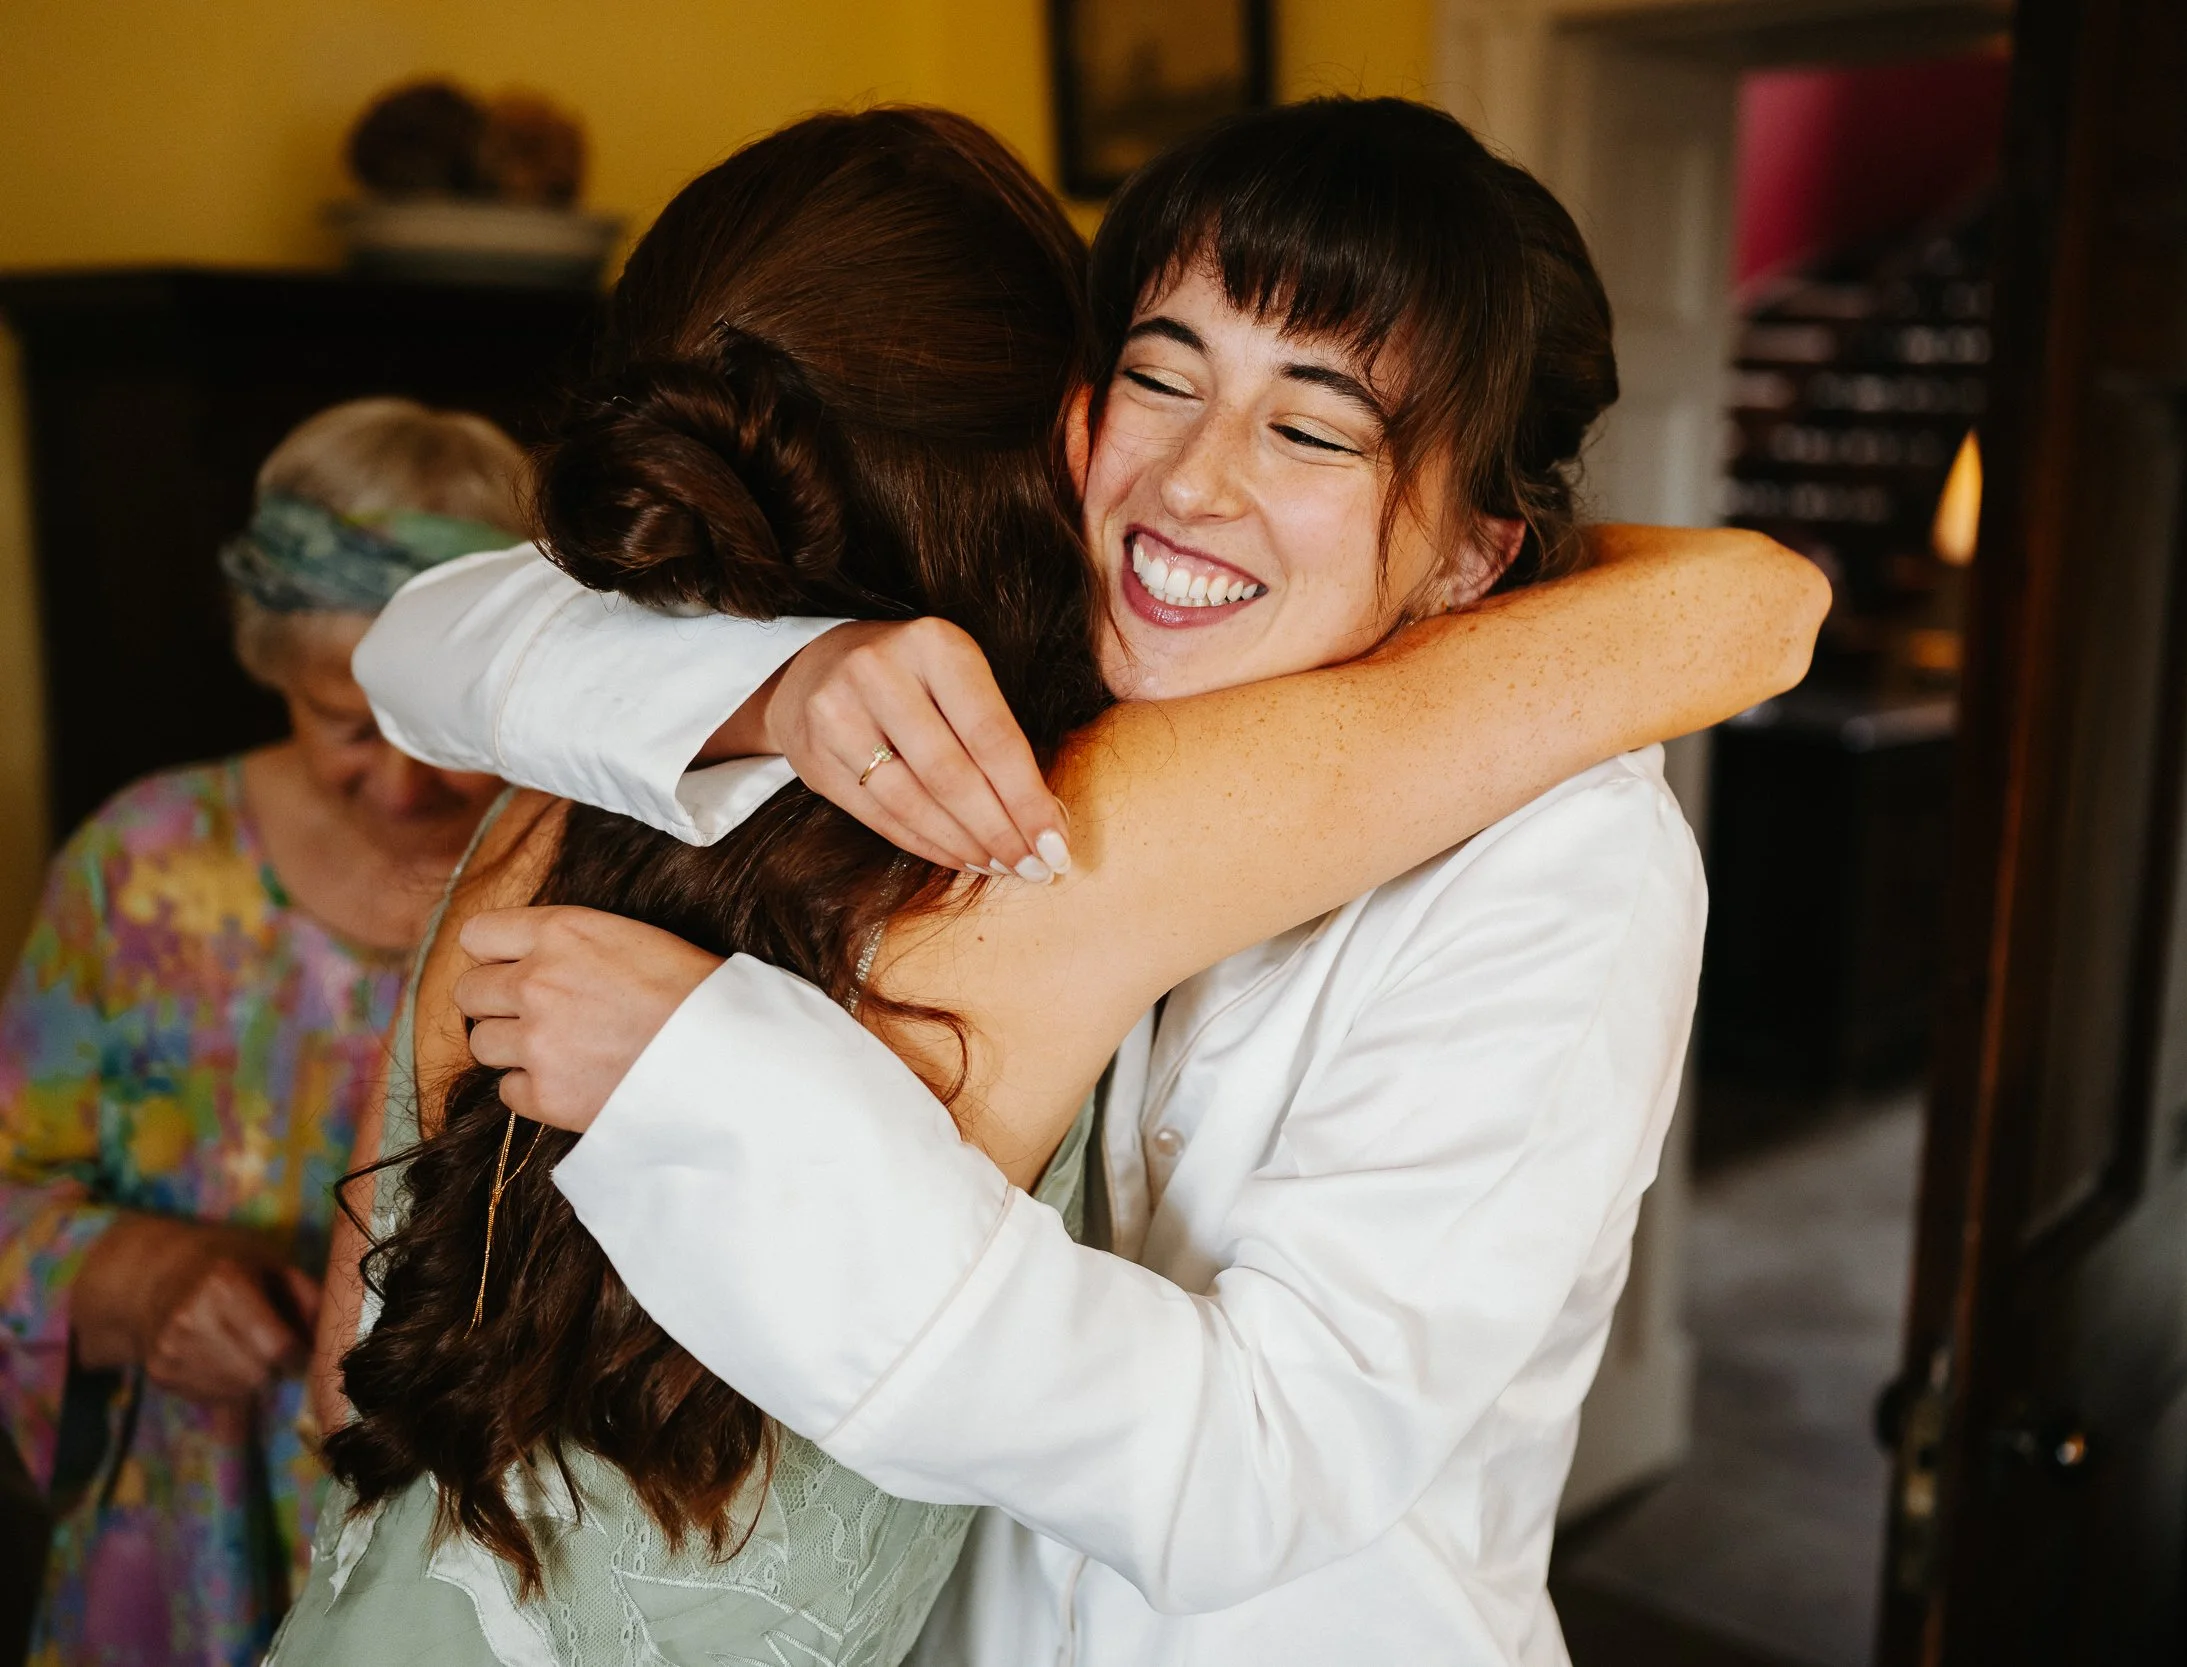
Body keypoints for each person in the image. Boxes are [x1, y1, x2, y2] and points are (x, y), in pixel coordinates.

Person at [337, 98, 1827, 1667]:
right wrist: (782, 685)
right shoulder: (1040, 671)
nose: (1191, 481)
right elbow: (434, 640)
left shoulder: (1567, 861)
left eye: (1313, 430)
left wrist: (707, 1085)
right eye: (1163, 377)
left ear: (1475, 553)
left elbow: (1270, 1459)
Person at [0, 398, 520, 1667]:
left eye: (440, 732)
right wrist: (138, 1279)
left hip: (475, 1546)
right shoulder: (142, 870)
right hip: (184, 1540)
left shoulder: (575, 878)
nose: (400, 780)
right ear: (276, 670)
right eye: (345, 723)